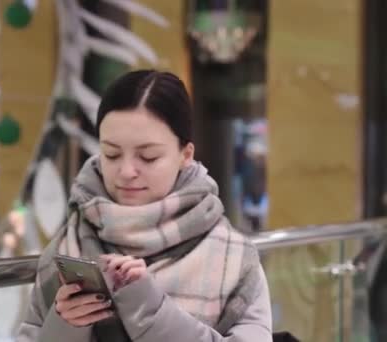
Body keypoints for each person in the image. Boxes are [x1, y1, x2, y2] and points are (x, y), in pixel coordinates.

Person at [16, 70, 272, 341]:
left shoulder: (232, 258)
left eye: (148, 157)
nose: (126, 171)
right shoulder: (67, 245)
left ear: (185, 155)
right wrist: (64, 326)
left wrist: (153, 315)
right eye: (111, 154)